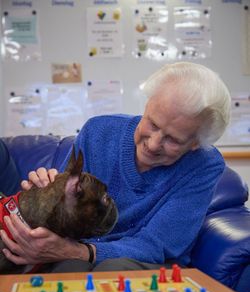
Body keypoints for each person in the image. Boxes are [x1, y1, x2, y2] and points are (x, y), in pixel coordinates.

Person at [0, 62, 231, 273]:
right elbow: (63, 215)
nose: (152, 144)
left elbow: (156, 245)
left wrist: (84, 252)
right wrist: (44, 194)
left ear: (195, 144)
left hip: (148, 261)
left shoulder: (204, 166)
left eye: (173, 140)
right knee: (69, 268)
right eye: (152, 123)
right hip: (76, 252)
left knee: (111, 268)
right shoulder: (98, 131)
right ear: (147, 105)